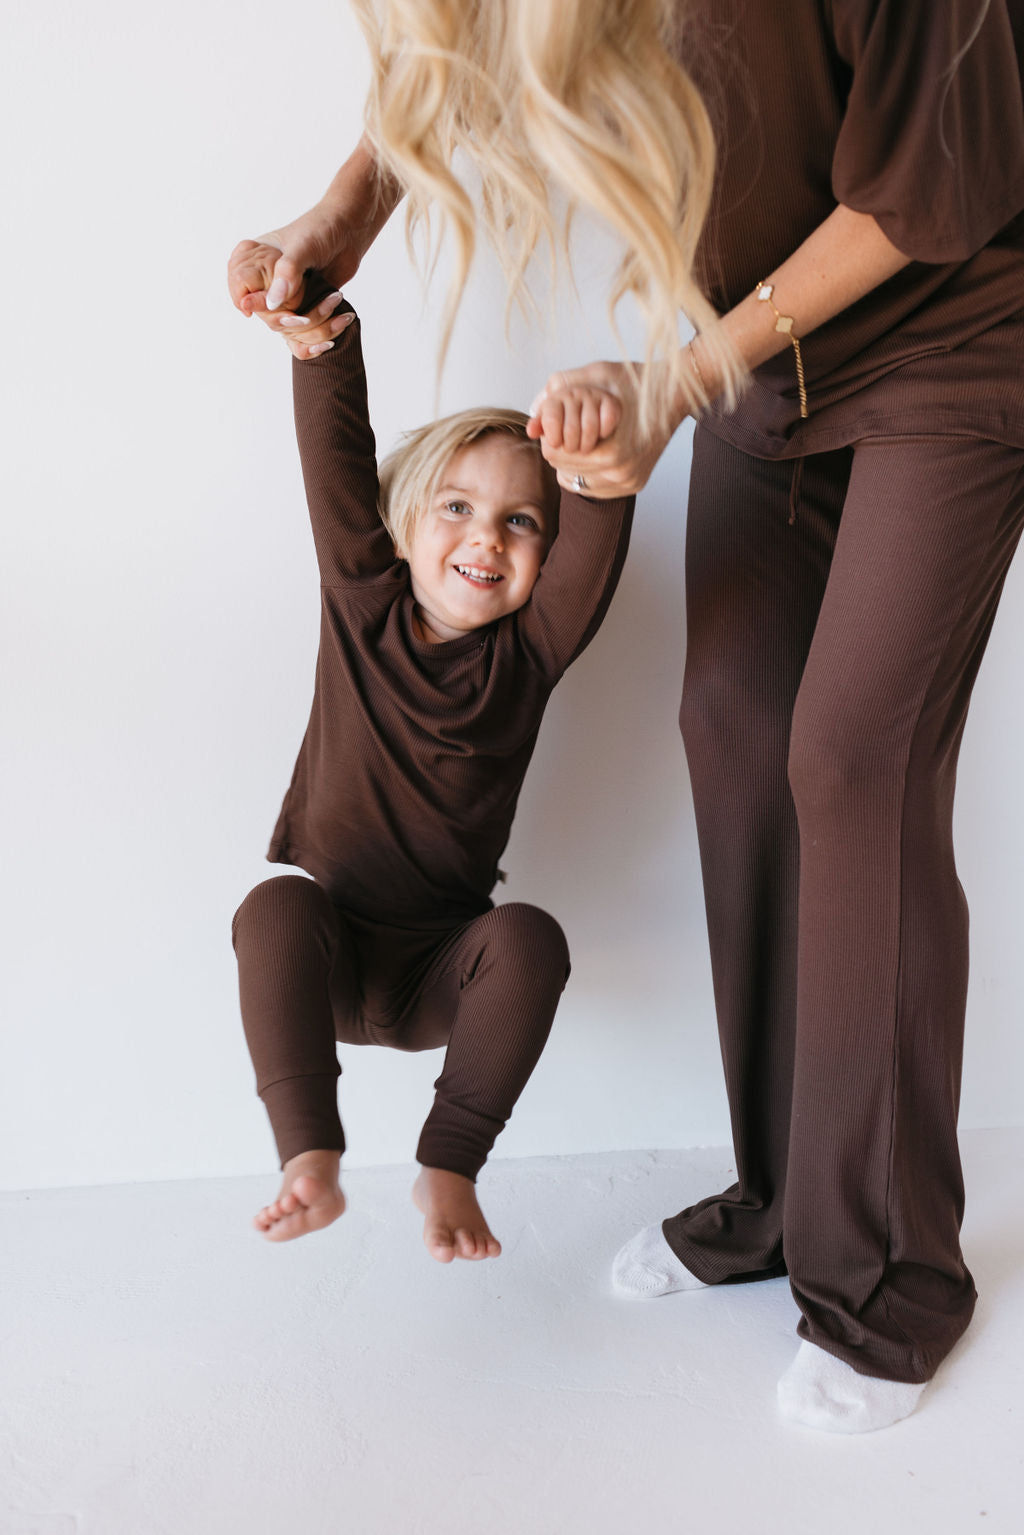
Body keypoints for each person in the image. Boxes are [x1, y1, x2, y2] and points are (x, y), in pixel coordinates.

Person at [228, 0, 1024, 1434]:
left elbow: (924, 192)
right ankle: (785, 1192)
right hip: (758, 346)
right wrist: (347, 209)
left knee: (852, 757)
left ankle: (893, 1276)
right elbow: (471, 32)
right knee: (732, 723)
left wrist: (675, 379)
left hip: (956, 323)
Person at [230, 272, 634, 1261]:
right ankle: (309, 1159)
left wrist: (593, 446)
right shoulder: (360, 603)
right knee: (271, 906)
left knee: (529, 935)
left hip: (440, 981)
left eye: (521, 521)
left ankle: (448, 1164)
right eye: (456, 506)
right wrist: (324, 332)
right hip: (323, 955)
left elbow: (597, 532)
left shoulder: (532, 650)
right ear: (405, 525)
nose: (485, 536)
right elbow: (334, 458)